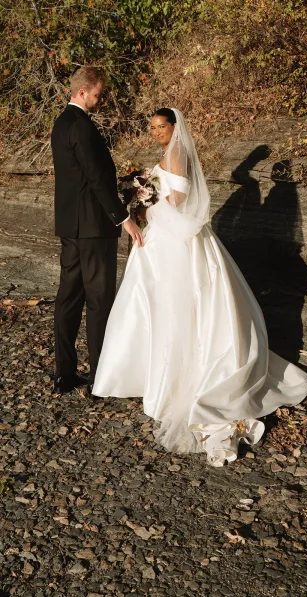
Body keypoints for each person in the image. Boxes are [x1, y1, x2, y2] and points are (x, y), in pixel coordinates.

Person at [93, 108, 307, 466]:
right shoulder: (170, 153)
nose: (156, 133)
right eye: (151, 128)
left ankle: (180, 378)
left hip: (175, 237)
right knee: (155, 302)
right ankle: (158, 373)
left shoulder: (177, 152)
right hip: (167, 235)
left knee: (175, 303)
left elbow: (178, 201)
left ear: (175, 127)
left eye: (161, 127)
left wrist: (147, 205)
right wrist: (144, 194)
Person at [51, 66, 143, 395]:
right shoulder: (82, 126)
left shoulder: (61, 124)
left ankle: (64, 372)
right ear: (82, 92)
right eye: (98, 94)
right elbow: (94, 177)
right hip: (94, 226)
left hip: (70, 225)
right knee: (99, 300)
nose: (100, 99)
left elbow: (79, 176)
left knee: (69, 297)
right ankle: (100, 377)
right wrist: (124, 218)